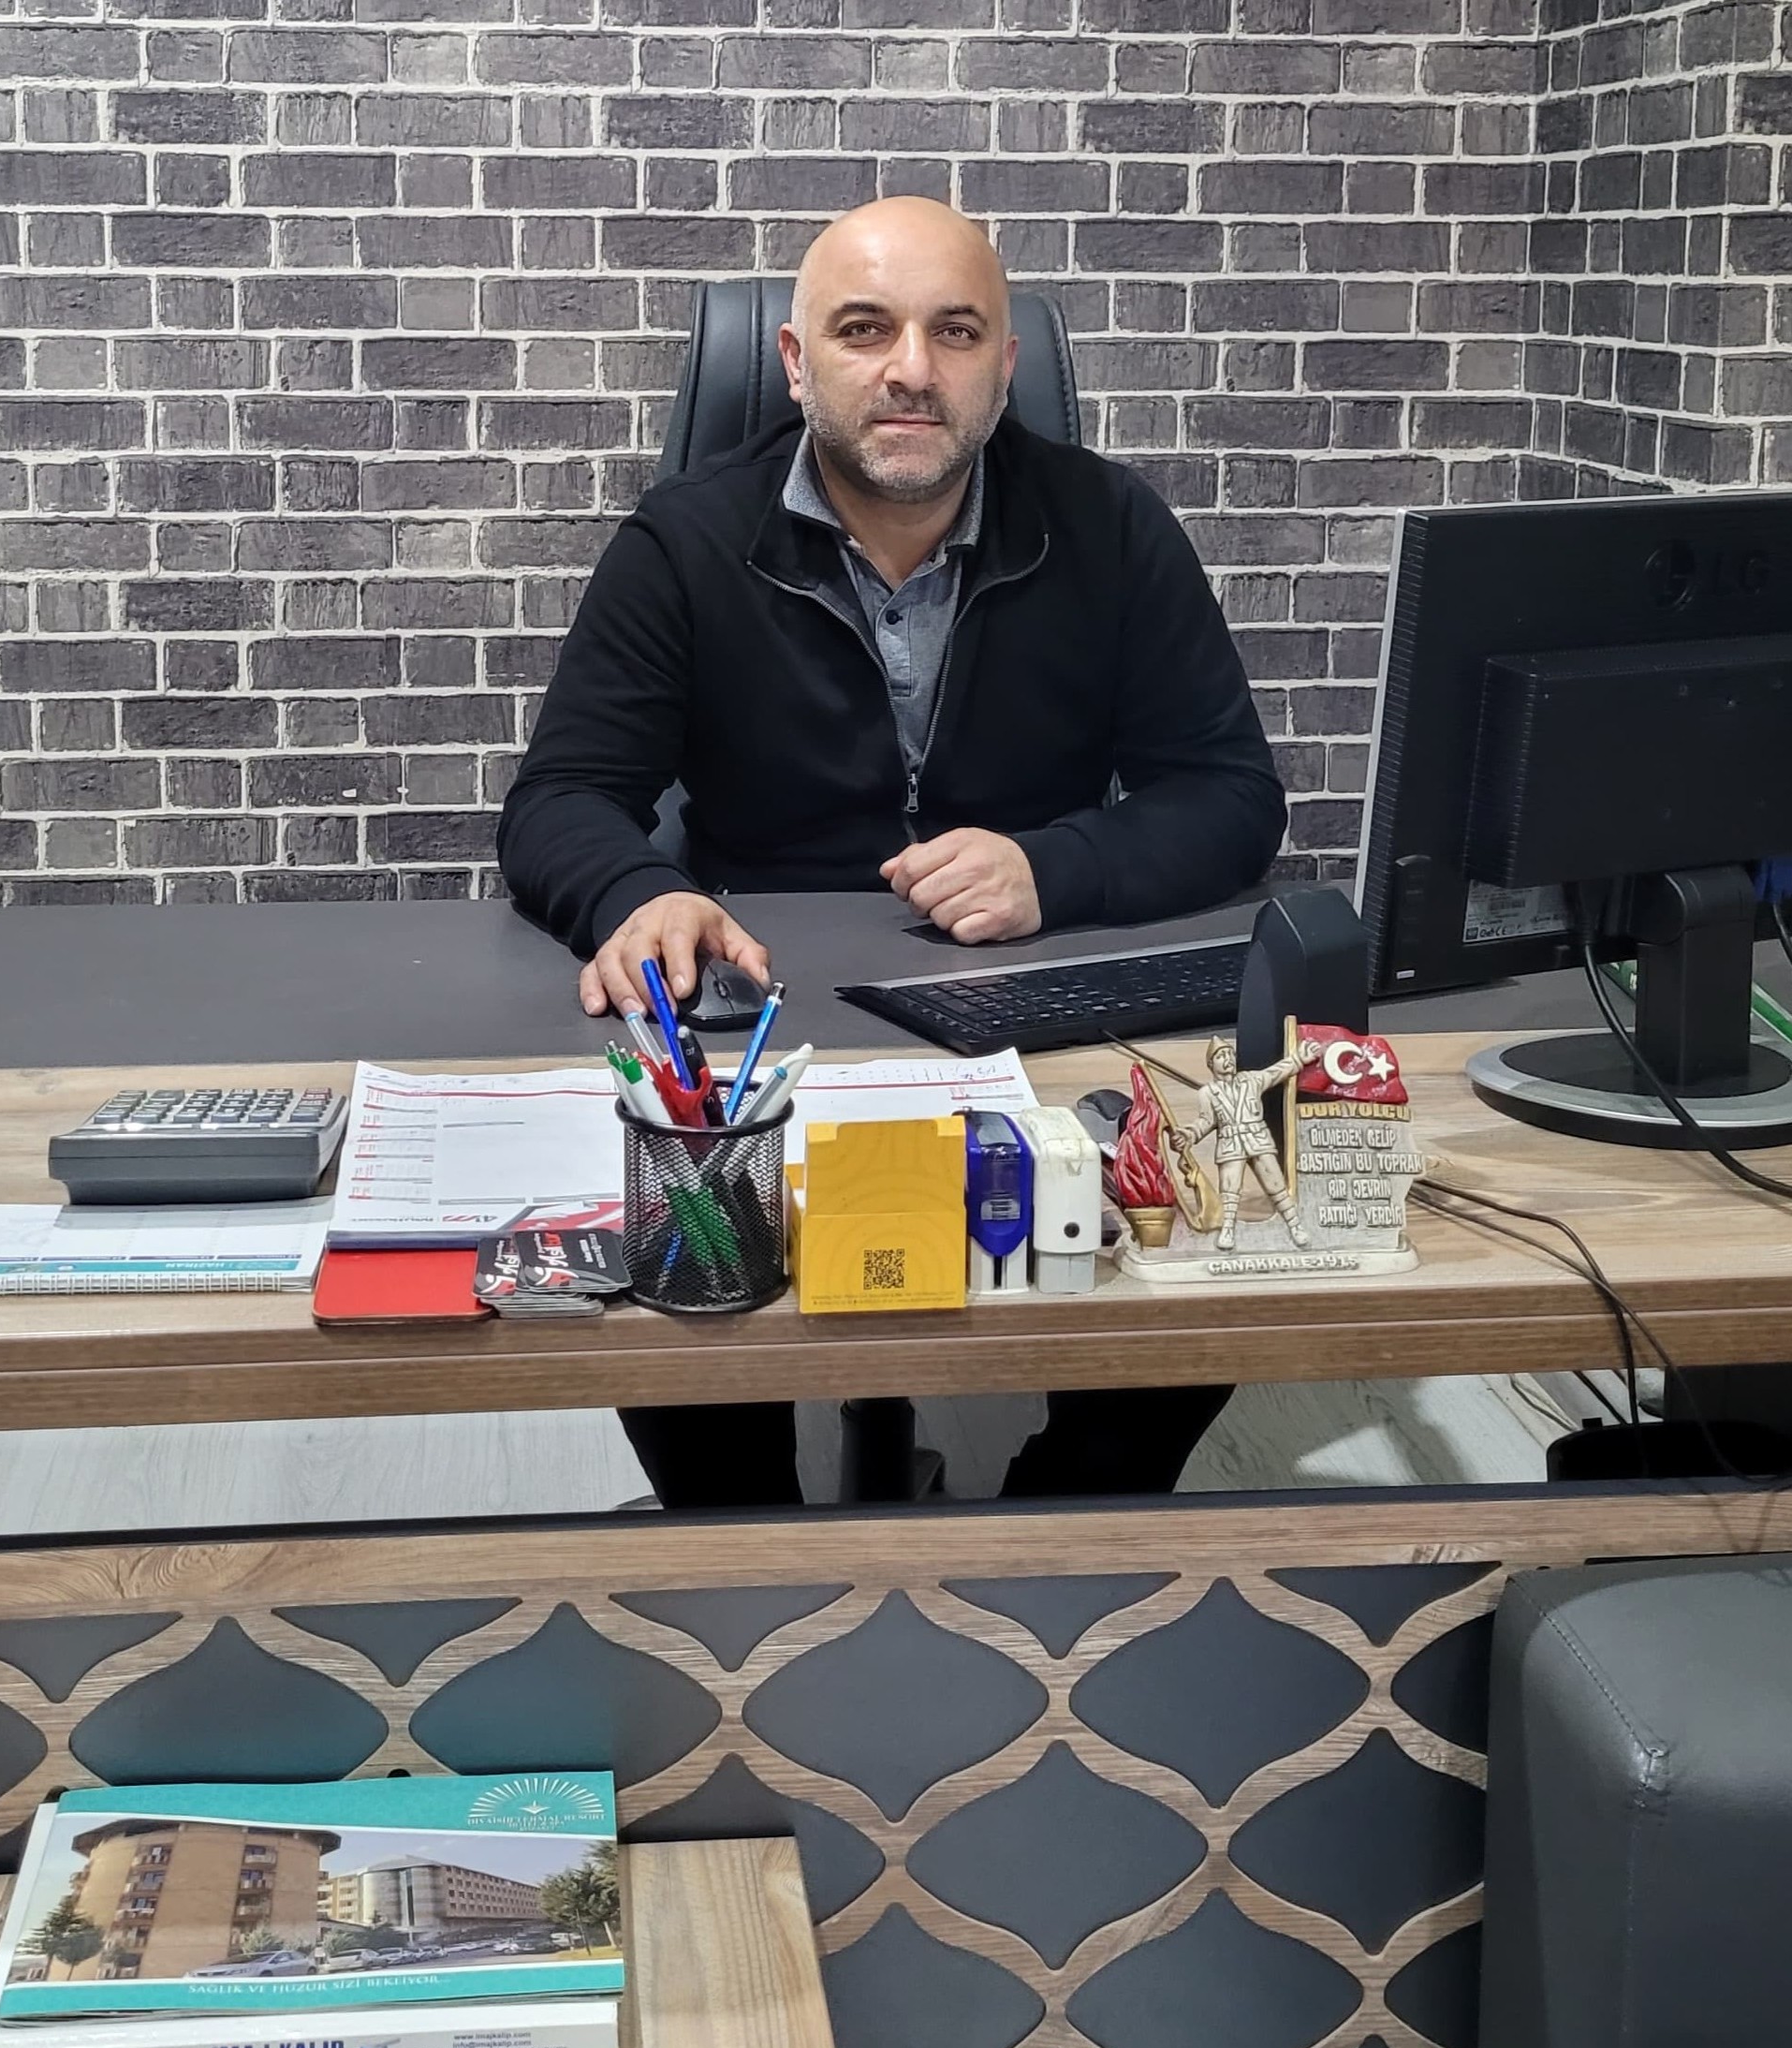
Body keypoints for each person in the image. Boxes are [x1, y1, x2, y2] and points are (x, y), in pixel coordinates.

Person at [498, 196, 1286, 1507]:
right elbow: (562, 797)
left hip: (1031, 1013)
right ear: (796, 361)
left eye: (954, 332)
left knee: (1223, 1227)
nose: (912, 368)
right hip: (767, 1014)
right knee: (673, 1216)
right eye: (865, 330)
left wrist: (1054, 867)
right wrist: (641, 893)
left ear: (1005, 366)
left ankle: (1057, 1523)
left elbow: (1231, 794)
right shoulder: (686, 542)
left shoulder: (1109, 526)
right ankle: (741, 1541)